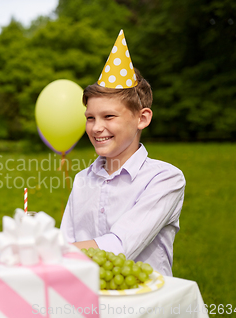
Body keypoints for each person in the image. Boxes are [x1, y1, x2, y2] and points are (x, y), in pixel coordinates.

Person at [60, 30, 185, 276]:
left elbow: (118, 246)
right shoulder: (83, 179)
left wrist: (47, 251)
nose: (96, 127)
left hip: (148, 303)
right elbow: (67, 240)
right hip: (90, 298)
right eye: (90, 118)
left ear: (142, 118)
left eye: (109, 116)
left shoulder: (165, 179)